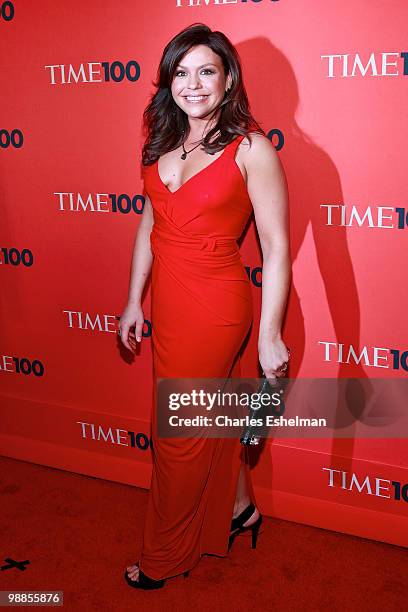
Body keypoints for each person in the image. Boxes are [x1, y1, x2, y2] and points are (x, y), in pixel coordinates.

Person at [118, 22, 291, 590]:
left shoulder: (253, 149)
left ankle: (163, 556)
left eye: (206, 72)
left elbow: (276, 244)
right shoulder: (165, 142)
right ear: (169, 81)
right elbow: (151, 222)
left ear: (228, 79)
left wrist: (269, 334)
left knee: (181, 431)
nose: (193, 84)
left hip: (216, 304)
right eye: (181, 72)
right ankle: (241, 508)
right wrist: (132, 301)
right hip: (167, 300)